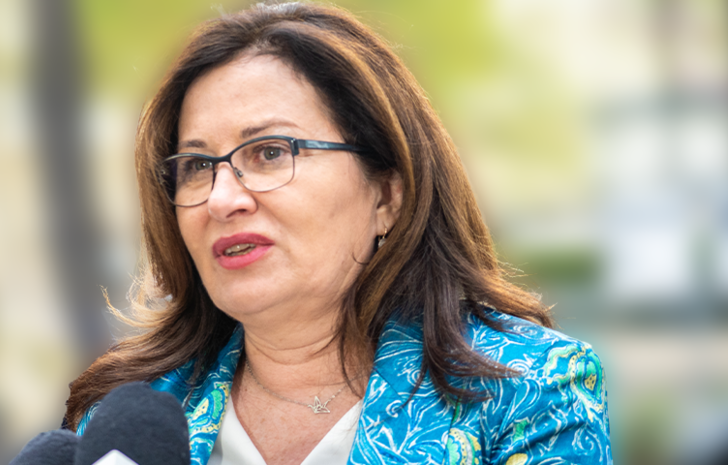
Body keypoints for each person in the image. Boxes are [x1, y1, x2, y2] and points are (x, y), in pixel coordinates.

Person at [64, 3, 612, 464]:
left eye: (270, 152)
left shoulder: (529, 387)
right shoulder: (124, 416)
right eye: (197, 167)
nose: (222, 199)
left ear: (387, 195)